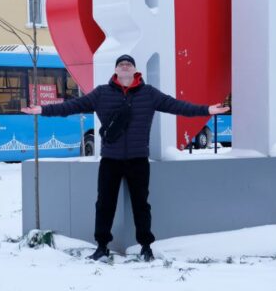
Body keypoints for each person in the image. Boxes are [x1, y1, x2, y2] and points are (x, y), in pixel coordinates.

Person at [22, 54, 229, 261]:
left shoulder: (149, 94)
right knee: (104, 204)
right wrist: (42, 109)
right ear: (116, 71)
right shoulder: (102, 93)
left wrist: (207, 110)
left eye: (128, 64)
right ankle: (102, 246)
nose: (125, 67)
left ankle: (146, 246)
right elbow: (72, 106)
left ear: (134, 70)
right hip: (110, 160)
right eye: (121, 64)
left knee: (141, 205)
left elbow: (177, 106)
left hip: (138, 160)